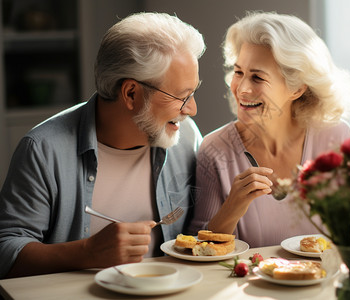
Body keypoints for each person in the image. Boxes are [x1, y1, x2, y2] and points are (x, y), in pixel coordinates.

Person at [0, 12, 205, 278]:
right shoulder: (42, 149)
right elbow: (6, 251)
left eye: (193, 93)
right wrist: (87, 252)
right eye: (181, 96)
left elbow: (203, 232)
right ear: (131, 93)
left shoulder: (185, 136)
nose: (192, 109)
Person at [189, 12, 350, 248]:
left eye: (257, 77)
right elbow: (196, 250)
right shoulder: (215, 150)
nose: (242, 89)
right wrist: (232, 207)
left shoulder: (335, 138)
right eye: (239, 73)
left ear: (297, 88)